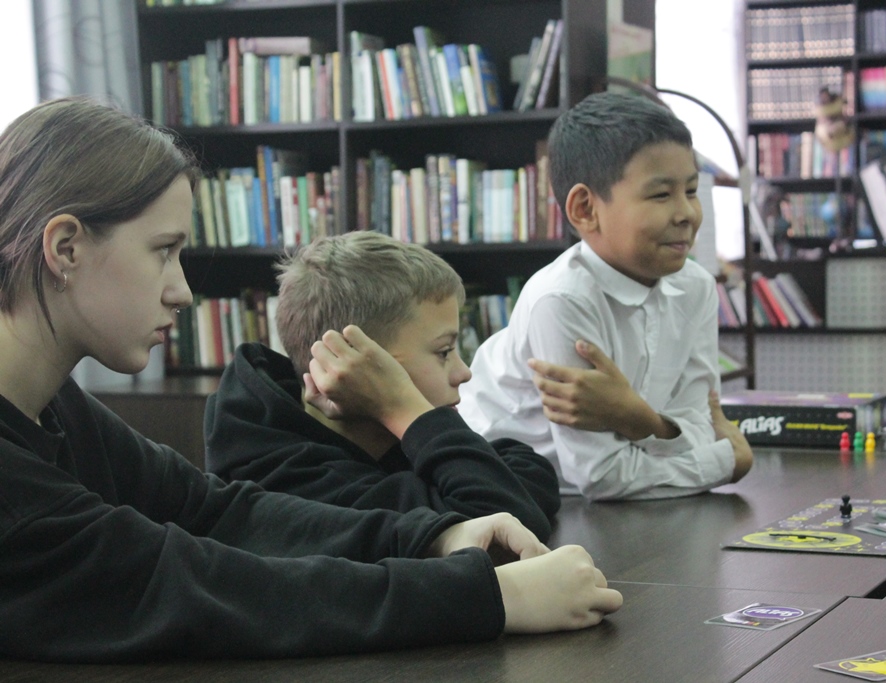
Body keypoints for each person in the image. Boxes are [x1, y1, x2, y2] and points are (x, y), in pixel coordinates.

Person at [0, 97, 622, 662]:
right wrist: (491, 597)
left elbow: (212, 512)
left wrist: (438, 536)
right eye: (162, 251)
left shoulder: (55, 406)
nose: (182, 291)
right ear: (66, 248)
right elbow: (185, 583)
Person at [459, 92, 754, 501]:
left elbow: (705, 426)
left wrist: (641, 420)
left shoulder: (697, 287)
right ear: (585, 209)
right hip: (509, 500)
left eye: (691, 190)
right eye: (661, 195)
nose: (687, 213)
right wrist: (725, 463)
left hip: (616, 503)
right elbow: (602, 476)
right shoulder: (562, 300)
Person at [204, 231, 560, 540]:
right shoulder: (294, 486)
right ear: (355, 363)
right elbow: (509, 518)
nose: (464, 372)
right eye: (444, 352)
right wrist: (405, 408)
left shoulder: (377, 438)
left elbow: (528, 470)